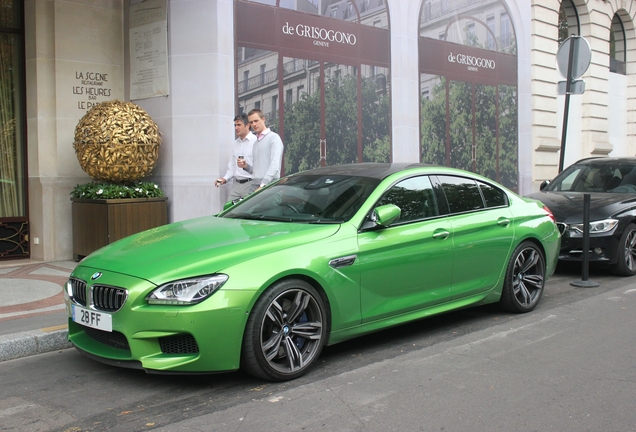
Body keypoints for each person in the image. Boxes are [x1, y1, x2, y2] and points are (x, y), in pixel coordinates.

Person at [238, 109, 284, 193]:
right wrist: (246, 166)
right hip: (254, 185)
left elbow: (275, 165)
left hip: (270, 184)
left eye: (256, 121)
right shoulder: (256, 143)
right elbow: (258, 169)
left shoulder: (274, 138)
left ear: (263, 119)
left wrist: (263, 185)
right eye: (251, 122)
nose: (254, 124)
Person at [216, 113, 256, 201]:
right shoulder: (235, 143)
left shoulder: (256, 141)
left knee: (248, 212)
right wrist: (225, 179)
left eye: (239, 125)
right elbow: (232, 165)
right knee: (229, 210)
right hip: (236, 184)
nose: (236, 128)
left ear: (247, 125)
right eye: (235, 125)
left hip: (250, 184)